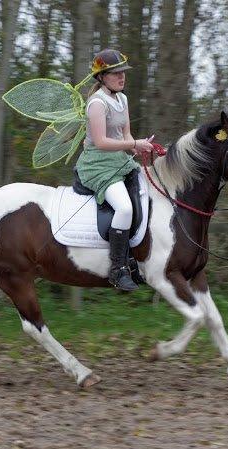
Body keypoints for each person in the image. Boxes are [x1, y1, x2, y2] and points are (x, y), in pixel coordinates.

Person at [76, 48, 153, 292]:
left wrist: (139, 149)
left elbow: (125, 135)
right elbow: (101, 142)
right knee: (124, 207)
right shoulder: (97, 103)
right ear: (101, 77)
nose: (122, 77)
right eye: (115, 73)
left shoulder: (123, 99)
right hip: (98, 165)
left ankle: (134, 260)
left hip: (119, 160)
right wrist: (133, 144)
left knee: (147, 192)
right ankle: (118, 269)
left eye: (123, 73)